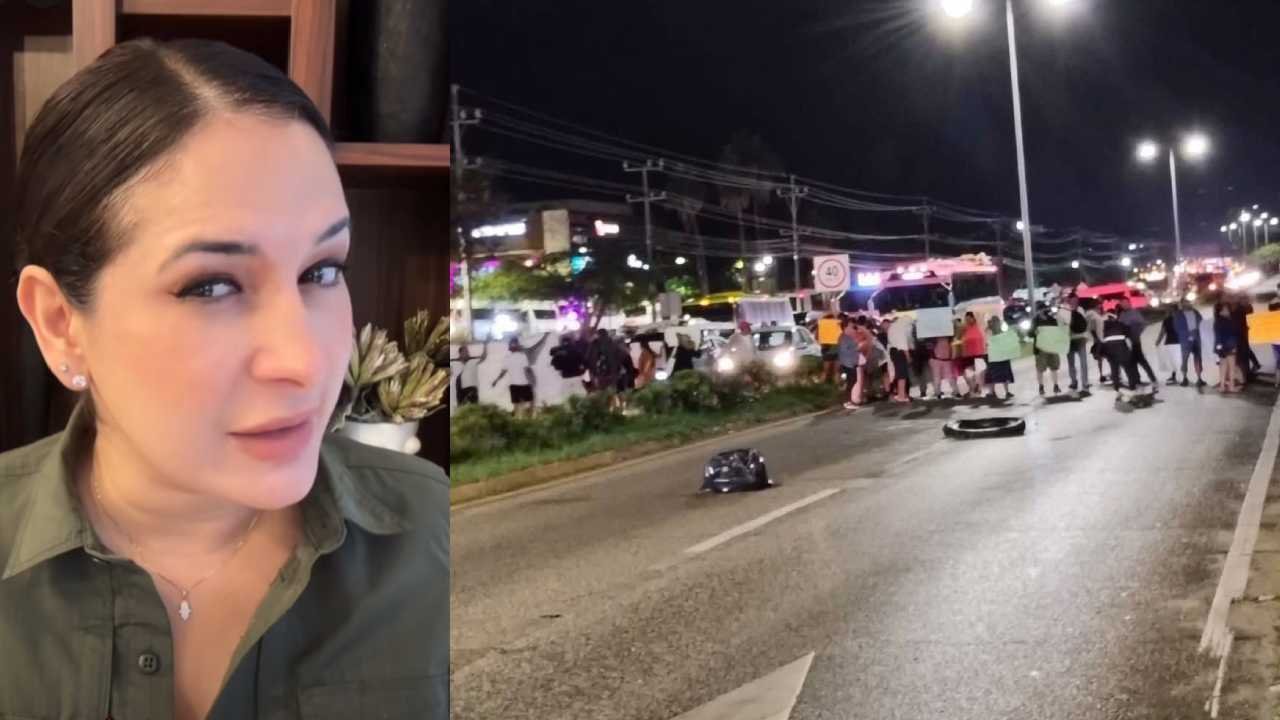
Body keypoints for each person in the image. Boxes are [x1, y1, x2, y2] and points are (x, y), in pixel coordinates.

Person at [0, 39, 448, 719]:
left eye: (322, 270)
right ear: (62, 322)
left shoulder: (434, 537)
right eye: (211, 286)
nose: (305, 359)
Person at [492, 334, 549, 418]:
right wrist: (532, 379)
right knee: (531, 402)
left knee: (517, 406)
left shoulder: (507, 358)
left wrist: (496, 380)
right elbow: (527, 370)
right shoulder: (522, 357)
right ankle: (530, 418)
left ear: (510, 348)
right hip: (524, 384)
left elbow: (503, 373)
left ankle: (517, 420)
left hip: (514, 385)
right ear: (518, 346)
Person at [1118, 298, 1158, 388]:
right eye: (1122, 304)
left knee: (1141, 360)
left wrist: (1137, 333)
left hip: (1135, 340)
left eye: (1125, 303)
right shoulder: (1122, 315)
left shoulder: (1134, 313)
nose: (1124, 305)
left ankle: (1153, 379)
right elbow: (1120, 326)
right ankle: (1137, 380)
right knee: (1132, 361)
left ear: (1129, 303)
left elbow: (1143, 324)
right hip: (1127, 341)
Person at [1101, 309, 1140, 392]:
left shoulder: (1104, 327)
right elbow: (1130, 335)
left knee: (1114, 369)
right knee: (1128, 368)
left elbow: (1102, 340)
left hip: (1110, 351)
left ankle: (1117, 388)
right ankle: (1132, 387)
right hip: (1122, 349)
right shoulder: (1121, 325)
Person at [1172, 298, 1206, 387]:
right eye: (1185, 302)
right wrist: (1188, 334)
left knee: (1198, 358)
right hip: (1185, 340)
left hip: (1196, 338)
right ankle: (1184, 378)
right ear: (1182, 304)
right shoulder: (1178, 314)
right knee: (1185, 359)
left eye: (1188, 302)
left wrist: (1197, 333)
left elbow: (1202, 322)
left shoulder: (1195, 312)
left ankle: (1199, 378)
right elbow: (1177, 327)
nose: (1187, 304)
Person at [1031, 302, 1063, 395]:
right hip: (1040, 348)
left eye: (1044, 309)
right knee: (1040, 368)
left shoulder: (1051, 319)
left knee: (1054, 367)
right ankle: (1041, 386)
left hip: (1051, 346)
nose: (1043, 311)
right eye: (1041, 309)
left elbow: (1057, 330)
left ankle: (1056, 385)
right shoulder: (1035, 321)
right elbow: (1030, 333)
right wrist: (1034, 332)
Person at [1062, 294, 1091, 392]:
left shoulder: (1065, 310)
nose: (1075, 301)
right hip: (1077, 338)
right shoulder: (1080, 310)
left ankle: (1076, 382)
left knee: (1074, 363)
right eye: (1074, 300)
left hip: (1072, 338)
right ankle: (1083, 382)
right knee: (1080, 362)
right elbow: (1085, 323)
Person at [984, 314, 1015, 399]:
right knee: (1004, 373)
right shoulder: (1001, 330)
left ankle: (991, 392)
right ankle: (1007, 392)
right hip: (1001, 354)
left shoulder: (988, 331)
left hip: (992, 355)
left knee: (991, 373)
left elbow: (987, 343)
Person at [886, 313, 916, 403]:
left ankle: (902, 394)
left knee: (900, 374)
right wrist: (908, 357)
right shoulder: (903, 328)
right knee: (902, 375)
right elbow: (904, 344)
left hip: (893, 351)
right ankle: (901, 396)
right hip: (900, 353)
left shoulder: (894, 326)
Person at [1214, 302, 1242, 393]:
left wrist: (1218, 347)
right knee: (1231, 367)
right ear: (1221, 311)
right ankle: (1231, 387)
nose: (1228, 310)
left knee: (1223, 366)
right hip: (1230, 345)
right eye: (1225, 309)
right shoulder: (1228, 320)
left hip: (1222, 346)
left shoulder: (1217, 320)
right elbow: (1234, 333)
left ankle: (1222, 386)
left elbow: (1218, 336)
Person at [549, 334, 588, 399]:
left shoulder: (558, 352)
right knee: (581, 397)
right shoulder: (576, 350)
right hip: (577, 376)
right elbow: (585, 363)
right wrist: (582, 372)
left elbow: (555, 366)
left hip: (566, 378)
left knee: (566, 398)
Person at [958, 312, 988, 398]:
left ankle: (976, 388)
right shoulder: (964, 328)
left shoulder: (979, 327)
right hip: (968, 354)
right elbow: (960, 338)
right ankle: (974, 388)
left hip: (978, 354)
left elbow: (983, 338)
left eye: (969, 318)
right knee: (968, 373)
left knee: (978, 372)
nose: (967, 320)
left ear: (973, 318)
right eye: (966, 319)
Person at [1233, 295, 1260, 383]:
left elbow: (1249, 318)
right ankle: (1251, 368)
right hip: (1241, 331)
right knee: (1245, 349)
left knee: (1244, 350)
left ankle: (1247, 372)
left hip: (1242, 332)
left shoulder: (1242, 308)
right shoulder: (1242, 307)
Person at [838, 319, 863, 410]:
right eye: (850, 326)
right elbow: (844, 351)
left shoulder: (847, 337)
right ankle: (846, 401)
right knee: (849, 382)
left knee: (852, 382)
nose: (852, 328)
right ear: (845, 327)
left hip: (850, 364)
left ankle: (848, 401)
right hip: (848, 365)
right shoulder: (844, 337)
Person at [1154, 309, 1182, 385]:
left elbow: (1162, 332)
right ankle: (1182, 377)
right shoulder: (1181, 319)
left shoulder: (1167, 320)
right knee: (1179, 360)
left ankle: (1174, 377)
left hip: (1170, 342)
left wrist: (1158, 341)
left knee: (1173, 361)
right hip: (1179, 343)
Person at [817, 312, 842, 385]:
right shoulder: (837, 324)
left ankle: (821, 385)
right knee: (836, 371)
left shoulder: (822, 325)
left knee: (825, 370)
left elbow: (817, 337)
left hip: (826, 348)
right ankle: (837, 386)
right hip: (836, 348)